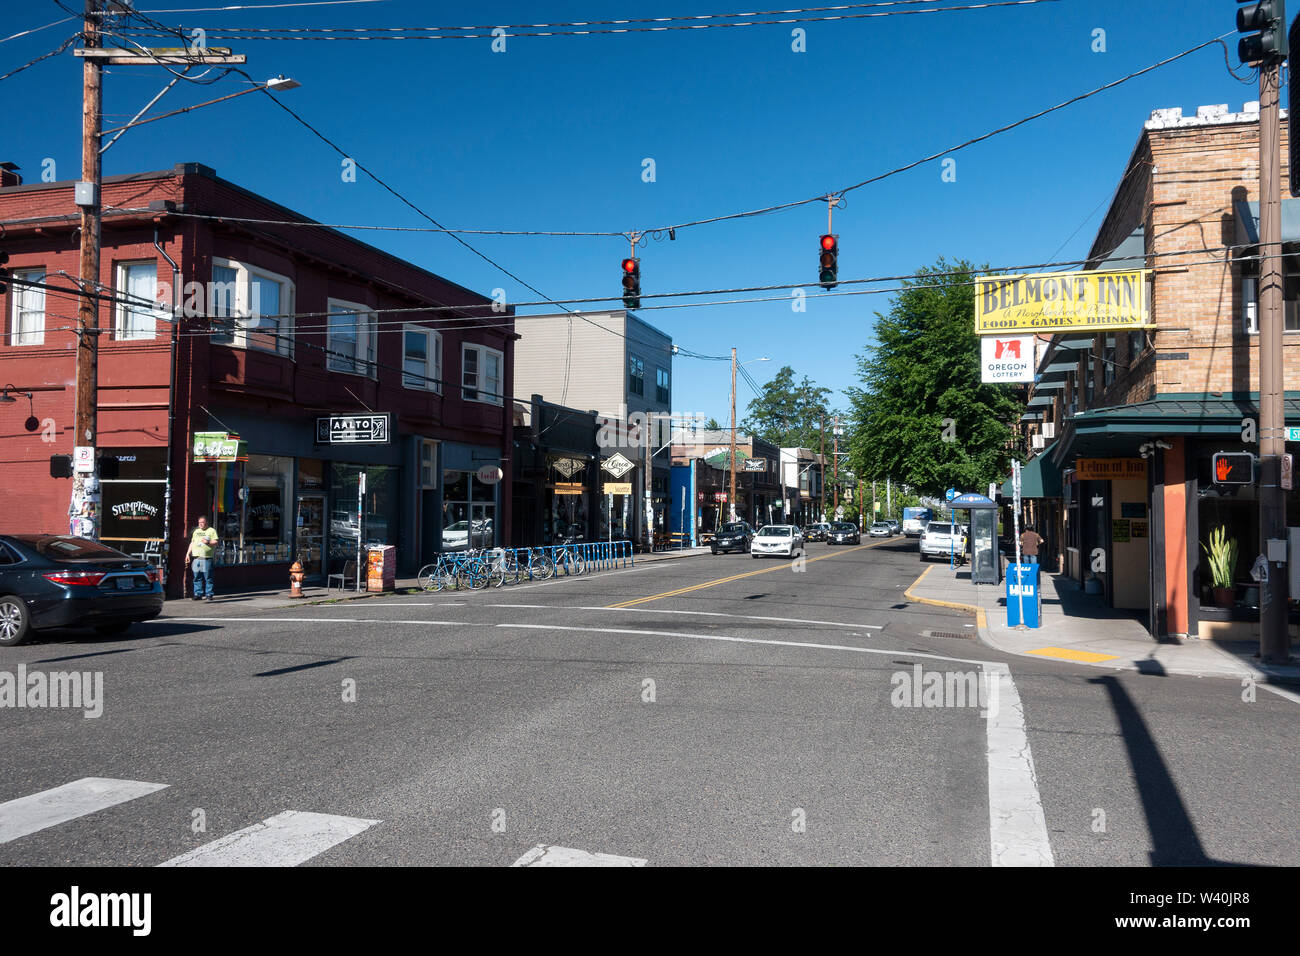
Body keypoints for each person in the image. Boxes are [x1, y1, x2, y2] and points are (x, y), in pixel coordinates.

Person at [184, 515, 219, 601]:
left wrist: (208, 542)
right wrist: (187, 554)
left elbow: (216, 542)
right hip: (196, 557)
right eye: (199, 523)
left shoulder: (211, 530)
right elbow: (192, 543)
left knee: (208, 577)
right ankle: (198, 594)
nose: (201, 524)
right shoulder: (196, 531)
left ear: (206, 522)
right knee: (196, 577)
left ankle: (209, 594)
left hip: (206, 558)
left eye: (202, 522)